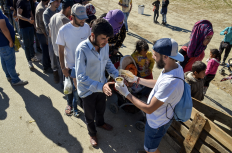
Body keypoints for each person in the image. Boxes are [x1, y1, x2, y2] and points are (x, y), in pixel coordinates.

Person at [115, 38, 184, 153]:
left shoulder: (170, 82)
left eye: (155, 55)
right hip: (160, 117)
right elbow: (159, 83)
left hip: (157, 122)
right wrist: (137, 79)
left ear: (165, 57)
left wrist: (126, 93)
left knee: (151, 149)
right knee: (150, 146)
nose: (153, 58)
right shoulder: (175, 67)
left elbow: (149, 109)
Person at [75, 18, 119, 147]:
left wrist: (117, 76)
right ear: (93, 35)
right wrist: (101, 86)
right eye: (103, 38)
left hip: (102, 86)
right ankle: (92, 133)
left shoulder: (104, 46)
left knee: (101, 109)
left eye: (107, 39)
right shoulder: (81, 50)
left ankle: (100, 123)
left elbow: (107, 62)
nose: (106, 42)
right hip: (88, 90)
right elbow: (81, 77)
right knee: (89, 115)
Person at [56, 4, 90, 117]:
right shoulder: (64, 30)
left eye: (84, 17)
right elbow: (60, 51)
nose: (83, 20)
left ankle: (77, 103)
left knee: (79, 88)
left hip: (84, 66)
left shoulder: (86, 28)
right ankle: (69, 104)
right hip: (70, 66)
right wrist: (63, 68)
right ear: (73, 16)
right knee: (69, 89)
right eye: (81, 18)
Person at [49, 0, 73, 87]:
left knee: (60, 69)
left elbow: (50, 33)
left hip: (56, 49)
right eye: (72, 10)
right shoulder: (65, 20)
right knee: (65, 72)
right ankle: (65, 88)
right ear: (68, 8)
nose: (72, 13)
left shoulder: (53, 16)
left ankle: (63, 85)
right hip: (63, 51)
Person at [0, 10, 28, 85]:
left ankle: (9, 75)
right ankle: (15, 80)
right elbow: (4, 29)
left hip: (2, 43)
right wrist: (10, 41)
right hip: (5, 42)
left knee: (4, 60)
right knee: (10, 62)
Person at [17, 0, 40, 69]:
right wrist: (28, 20)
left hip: (30, 26)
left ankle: (32, 57)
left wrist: (34, 24)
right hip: (24, 27)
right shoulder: (21, 2)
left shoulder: (29, 2)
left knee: (31, 43)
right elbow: (18, 15)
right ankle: (29, 61)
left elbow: (30, 12)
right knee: (26, 45)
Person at [43, 0, 60, 82]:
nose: (58, 3)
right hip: (52, 38)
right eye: (57, 1)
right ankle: (55, 73)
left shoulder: (58, 11)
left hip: (60, 37)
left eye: (59, 1)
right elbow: (48, 29)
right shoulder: (46, 13)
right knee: (53, 56)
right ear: (52, 2)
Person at [35, 0, 52, 72]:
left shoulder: (41, 5)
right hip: (42, 33)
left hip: (42, 32)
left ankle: (48, 65)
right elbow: (41, 25)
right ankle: (46, 67)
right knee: (45, 51)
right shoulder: (41, 9)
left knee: (46, 50)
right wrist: (46, 36)